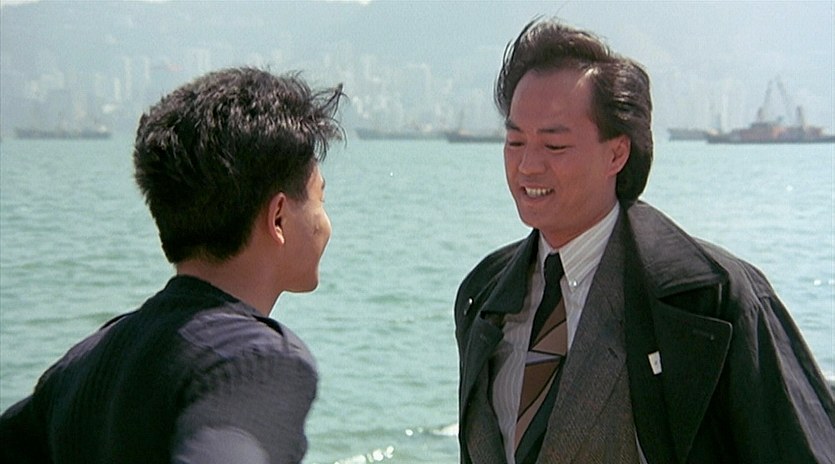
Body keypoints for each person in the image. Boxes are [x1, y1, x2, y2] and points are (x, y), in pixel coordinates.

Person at [454, 18, 835, 464]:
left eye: (554, 147)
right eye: (515, 142)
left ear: (617, 153)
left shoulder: (713, 299)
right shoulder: (484, 296)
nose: (527, 166)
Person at [0, 67, 344, 464]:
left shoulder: (82, 366)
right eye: (320, 198)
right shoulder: (255, 362)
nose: (326, 221)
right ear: (278, 218)